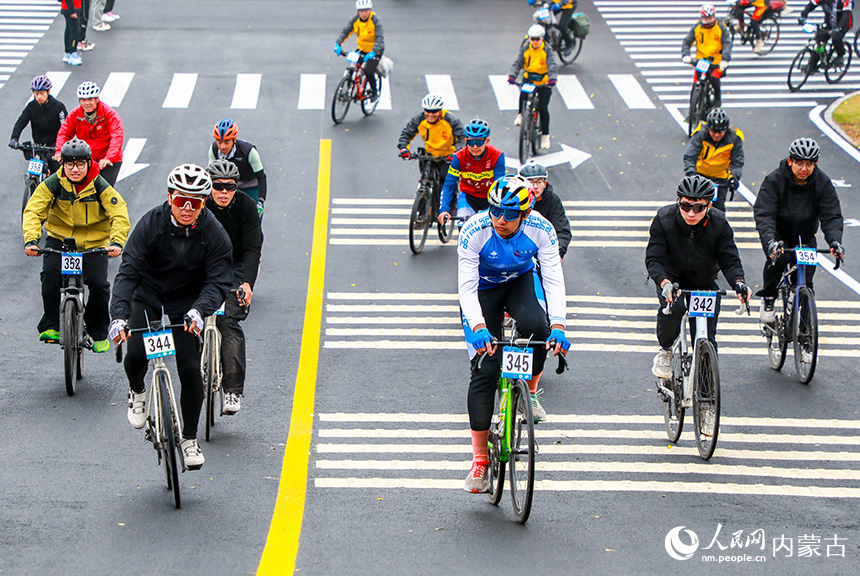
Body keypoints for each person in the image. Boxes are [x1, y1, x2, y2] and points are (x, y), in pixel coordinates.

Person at [109, 164, 232, 470]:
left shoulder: (213, 232)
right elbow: (127, 272)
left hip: (186, 303)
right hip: (148, 296)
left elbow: (218, 281)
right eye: (180, 201)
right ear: (169, 198)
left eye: (196, 202)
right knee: (135, 354)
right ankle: (137, 391)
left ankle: (189, 439)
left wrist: (199, 310)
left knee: (191, 371)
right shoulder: (151, 223)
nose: (187, 209)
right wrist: (119, 317)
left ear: (204, 203)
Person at [459, 175, 570, 493]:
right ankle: (480, 459)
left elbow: (552, 278)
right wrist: (479, 328)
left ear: (526, 213)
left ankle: (529, 393)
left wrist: (559, 324)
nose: (500, 220)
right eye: (495, 211)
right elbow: (465, 288)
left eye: (509, 214)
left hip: (519, 282)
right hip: (482, 290)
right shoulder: (475, 230)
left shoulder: (542, 228)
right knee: (486, 369)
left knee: (538, 328)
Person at [22, 138, 129, 352]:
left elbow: (119, 212)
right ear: (63, 164)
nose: (75, 169)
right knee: (50, 277)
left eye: (80, 164)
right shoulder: (53, 183)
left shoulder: (99, 184)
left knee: (99, 285)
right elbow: (34, 210)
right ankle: (52, 324)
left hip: (93, 244)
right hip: (60, 241)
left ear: (89, 163)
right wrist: (31, 240)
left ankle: (98, 331)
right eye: (69, 164)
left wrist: (116, 242)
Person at [646, 175, 750, 380]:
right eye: (685, 206)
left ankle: (706, 389)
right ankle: (665, 350)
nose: (691, 213)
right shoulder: (664, 218)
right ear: (678, 202)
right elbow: (654, 259)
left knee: (706, 338)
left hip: (704, 281)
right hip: (671, 279)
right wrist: (664, 282)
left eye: (698, 208)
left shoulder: (720, 223)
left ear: (709, 205)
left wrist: (739, 282)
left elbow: (729, 260)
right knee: (674, 309)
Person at [753, 138, 845, 323]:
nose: (804, 169)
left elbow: (831, 215)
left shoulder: (823, 183)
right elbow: (764, 213)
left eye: (809, 164)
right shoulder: (774, 180)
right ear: (790, 161)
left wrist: (834, 241)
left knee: (806, 281)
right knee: (780, 259)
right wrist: (770, 241)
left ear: (815, 164)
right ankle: (769, 297)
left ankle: (804, 325)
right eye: (800, 163)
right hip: (779, 234)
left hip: (805, 235)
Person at [205, 159, 262, 415]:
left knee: (228, 323)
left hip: (234, 265)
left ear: (237, 187)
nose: (224, 192)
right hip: (200, 264)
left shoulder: (247, 207)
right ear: (209, 186)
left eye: (230, 187)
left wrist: (248, 283)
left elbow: (252, 250)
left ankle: (232, 391)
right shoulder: (199, 205)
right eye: (218, 186)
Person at [438, 119, 506, 227]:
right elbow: (449, 185)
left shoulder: (497, 156)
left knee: (493, 228)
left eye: (479, 142)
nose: (475, 147)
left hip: (490, 198)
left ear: (486, 141)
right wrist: (444, 210)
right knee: (463, 227)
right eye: (471, 142)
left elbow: (499, 186)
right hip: (468, 198)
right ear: (465, 141)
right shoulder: (458, 157)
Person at [54, 81, 124, 186]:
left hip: (107, 160)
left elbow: (117, 137)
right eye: (83, 100)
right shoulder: (75, 115)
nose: (87, 103)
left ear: (97, 99)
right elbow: (64, 133)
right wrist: (59, 151)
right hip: (86, 158)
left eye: (90, 99)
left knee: (104, 192)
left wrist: (109, 158)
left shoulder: (109, 114)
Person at [397, 93, 464, 198]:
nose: (430, 114)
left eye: (434, 111)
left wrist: (456, 153)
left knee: (447, 183)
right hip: (428, 155)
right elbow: (407, 134)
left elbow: (462, 138)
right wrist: (404, 149)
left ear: (440, 111)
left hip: (447, 157)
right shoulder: (419, 119)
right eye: (427, 111)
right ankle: (423, 207)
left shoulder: (452, 121)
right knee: (425, 180)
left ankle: (451, 207)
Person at [683, 107, 744, 213]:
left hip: (720, 178)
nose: (716, 135)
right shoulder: (700, 135)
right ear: (708, 128)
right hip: (700, 176)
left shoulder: (734, 139)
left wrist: (734, 178)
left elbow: (737, 162)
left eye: (720, 132)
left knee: (718, 210)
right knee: (695, 207)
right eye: (713, 131)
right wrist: (691, 173)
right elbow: (690, 157)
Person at [509, 24, 558, 150]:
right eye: (533, 39)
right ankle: (520, 114)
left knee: (542, 107)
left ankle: (545, 135)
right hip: (529, 78)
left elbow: (552, 65)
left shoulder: (547, 50)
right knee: (523, 95)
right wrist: (512, 75)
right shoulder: (525, 48)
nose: (535, 42)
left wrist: (552, 79)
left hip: (543, 81)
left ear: (542, 39)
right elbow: (518, 62)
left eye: (538, 39)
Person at [208, 118, 267, 219]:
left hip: (250, 188)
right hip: (227, 186)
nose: (222, 147)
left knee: (253, 218)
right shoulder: (213, 149)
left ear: (234, 140)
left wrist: (260, 201)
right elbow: (210, 175)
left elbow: (261, 177)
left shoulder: (249, 151)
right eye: (219, 142)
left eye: (227, 142)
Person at [9, 75, 68, 174]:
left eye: (42, 93)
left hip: (55, 144)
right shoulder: (31, 106)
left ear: (48, 92)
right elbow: (21, 122)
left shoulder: (58, 107)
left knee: (54, 165)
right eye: (36, 94)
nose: (39, 97)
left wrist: (62, 145)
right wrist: (14, 138)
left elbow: (65, 127)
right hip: (38, 144)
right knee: (35, 165)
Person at [681, 4, 732, 109]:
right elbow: (687, 42)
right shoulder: (697, 28)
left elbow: (727, 43)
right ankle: (692, 109)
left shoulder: (721, 28)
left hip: (717, 62)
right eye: (706, 18)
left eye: (710, 18)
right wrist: (686, 55)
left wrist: (725, 60)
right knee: (696, 83)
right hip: (701, 61)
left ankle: (717, 99)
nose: (708, 21)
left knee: (714, 78)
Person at [518, 161, 571, 260]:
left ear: (545, 183)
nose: (535, 187)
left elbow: (562, 230)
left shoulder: (552, 200)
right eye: (530, 182)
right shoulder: (514, 199)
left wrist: (558, 253)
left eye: (539, 182)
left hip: (543, 251)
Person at [334, 0, 385, 100]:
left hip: (375, 51)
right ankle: (350, 89)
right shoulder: (355, 20)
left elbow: (380, 38)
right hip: (362, 48)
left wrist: (373, 52)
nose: (364, 13)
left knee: (368, 71)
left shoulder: (375, 20)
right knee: (353, 66)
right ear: (358, 11)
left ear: (370, 10)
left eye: (366, 11)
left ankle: (375, 92)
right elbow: (346, 31)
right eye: (361, 11)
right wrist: (338, 44)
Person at [798, 0, 853, 67]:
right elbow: (811, 5)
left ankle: (840, 55)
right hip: (829, 24)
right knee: (820, 38)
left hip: (843, 24)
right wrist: (803, 15)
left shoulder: (845, 1)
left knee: (836, 37)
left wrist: (838, 27)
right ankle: (812, 65)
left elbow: (846, 15)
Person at [60, 0, 82, 66]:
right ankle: (73, 53)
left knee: (69, 30)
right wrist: (72, 11)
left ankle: (68, 52)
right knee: (74, 31)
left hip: (68, 7)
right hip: (72, 7)